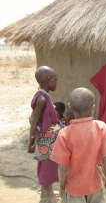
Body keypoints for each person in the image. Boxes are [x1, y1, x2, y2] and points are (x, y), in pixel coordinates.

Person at [50, 87, 106, 203]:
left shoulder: (64, 133)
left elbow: (62, 167)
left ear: (69, 106)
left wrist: (62, 187)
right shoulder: (101, 127)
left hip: (73, 189)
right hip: (95, 186)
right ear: (93, 107)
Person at [28, 66, 60, 203]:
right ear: (48, 80)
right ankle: (49, 197)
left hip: (49, 138)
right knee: (47, 166)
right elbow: (33, 119)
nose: (56, 82)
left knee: (48, 165)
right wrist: (31, 141)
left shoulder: (44, 96)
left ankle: (47, 194)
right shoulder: (41, 99)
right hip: (45, 140)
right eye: (55, 79)